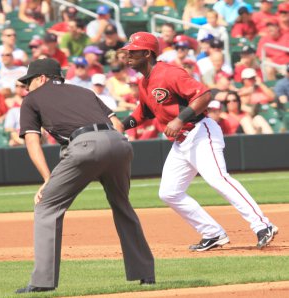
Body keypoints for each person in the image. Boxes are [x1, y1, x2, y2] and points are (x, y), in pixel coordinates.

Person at [120, 31, 278, 251]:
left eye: (132, 52)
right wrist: (121, 125)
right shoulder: (145, 82)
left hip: (200, 132)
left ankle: (263, 225)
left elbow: (204, 95)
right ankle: (213, 234)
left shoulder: (169, 72)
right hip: (182, 142)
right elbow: (142, 113)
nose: (127, 55)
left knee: (218, 179)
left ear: (147, 53)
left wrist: (179, 119)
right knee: (169, 192)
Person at [15, 58, 155, 293]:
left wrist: (47, 179)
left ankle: (42, 282)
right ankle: (145, 274)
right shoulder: (85, 91)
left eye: (28, 82)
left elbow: (32, 140)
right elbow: (117, 125)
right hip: (119, 144)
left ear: (41, 78)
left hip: (84, 145)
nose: (26, 87)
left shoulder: (32, 99)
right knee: (122, 205)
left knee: (47, 207)